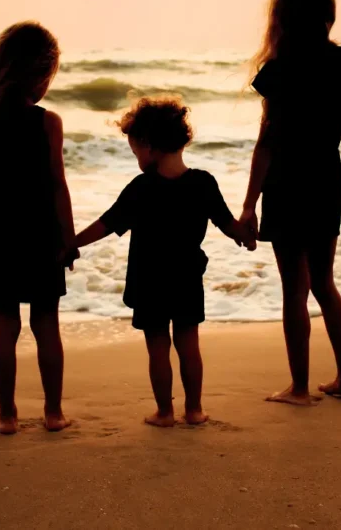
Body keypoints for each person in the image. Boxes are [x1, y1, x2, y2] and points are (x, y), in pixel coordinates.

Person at [75, 97, 255, 427]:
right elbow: (227, 223)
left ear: (149, 146)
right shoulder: (203, 182)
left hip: (149, 280)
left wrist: (72, 244)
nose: (137, 160)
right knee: (189, 344)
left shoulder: (141, 188)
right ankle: (195, 410)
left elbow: (107, 223)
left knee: (157, 346)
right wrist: (245, 235)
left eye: (136, 152)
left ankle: (164, 412)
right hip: (187, 277)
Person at [239, 0, 341, 406]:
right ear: (326, 12)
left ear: (283, 15)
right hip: (327, 177)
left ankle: (299, 388)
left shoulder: (279, 69)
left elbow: (267, 141)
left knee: (294, 288)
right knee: (325, 283)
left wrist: (248, 204)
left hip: (288, 182)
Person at [0, 21, 77, 434]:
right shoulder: (47, 122)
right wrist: (68, 237)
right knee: (46, 324)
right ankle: (53, 413)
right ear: (39, 76)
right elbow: (58, 183)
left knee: (4, 324)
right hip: (40, 235)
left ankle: (7, 417)